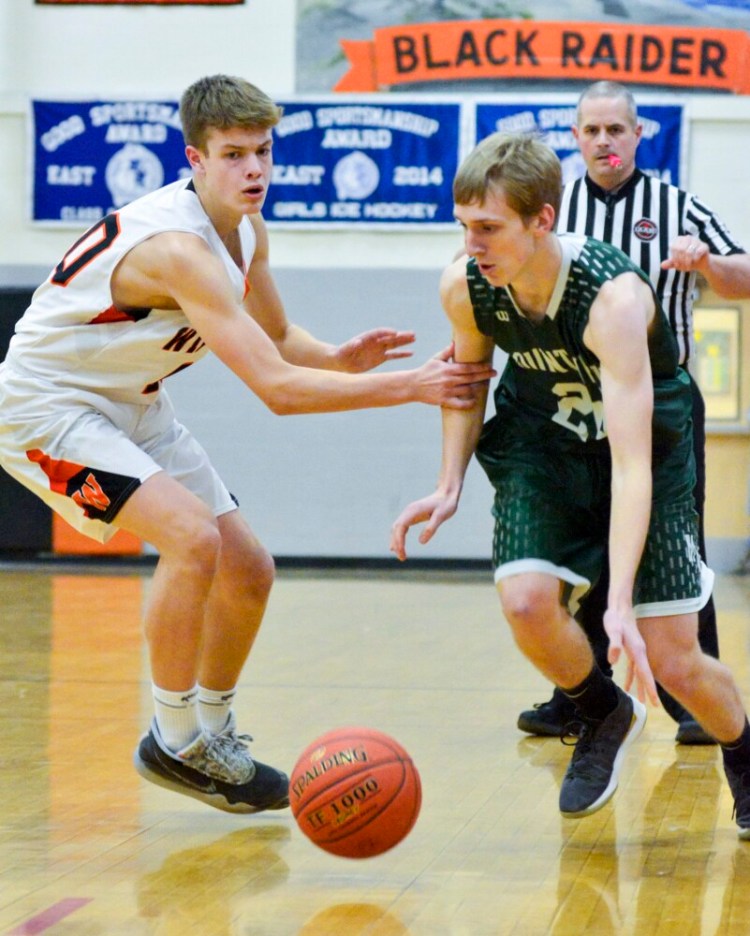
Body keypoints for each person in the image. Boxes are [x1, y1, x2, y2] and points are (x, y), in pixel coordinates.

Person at [0, 74, 496, 815]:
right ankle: (174, 741)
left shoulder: (247, 229)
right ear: (194, 158)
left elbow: (281, 342)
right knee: (192, 540)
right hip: (47, 410)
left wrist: (338, 356)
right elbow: (276, 392)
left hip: (133, 403)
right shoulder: (178, 249)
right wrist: (409, 387)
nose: (255, 170)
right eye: (234, 155)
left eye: (263, 151)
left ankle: (215, 734)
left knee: (250, 570)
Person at [390, 131, 750, 834]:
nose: (473, 244)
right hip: (541, 441)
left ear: (541, 221)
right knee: (525, 602)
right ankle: (600, 708)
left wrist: (618, 602)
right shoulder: (464, 285)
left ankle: (744, 751)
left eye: (488, 228)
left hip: (646, 450)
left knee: (676, 660)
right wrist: (449, 482)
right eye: (464, 227)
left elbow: (632, 463)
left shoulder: (610, 299)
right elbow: (467, 384)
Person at [517, 80, 750, 746]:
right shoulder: (549, 212)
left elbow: (746, 273)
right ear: (575, 135)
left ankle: (692, 701)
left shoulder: (676, 207)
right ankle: (579, 697)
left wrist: (708, 264)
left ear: (639, 133)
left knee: (678, 548)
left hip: (665, 399)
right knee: (577, 546)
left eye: (615, 129)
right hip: (574, 398)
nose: (603, 141)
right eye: (591, 130)